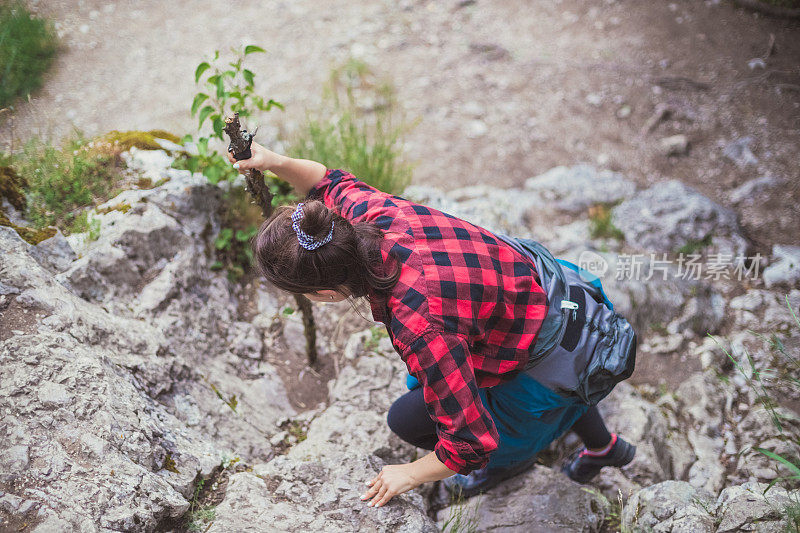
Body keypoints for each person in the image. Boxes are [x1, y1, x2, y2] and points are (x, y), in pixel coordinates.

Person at [228, 143, 636, 508]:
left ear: (329, 293)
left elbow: (470, 444)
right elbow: (326, 179)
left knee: (407, 418)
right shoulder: (363, 215)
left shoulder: (420, 325)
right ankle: (603, 446)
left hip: (539, 349)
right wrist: (273, 160)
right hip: (550, 295)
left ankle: (506, 466)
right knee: (437, 385)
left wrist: (408, 473)